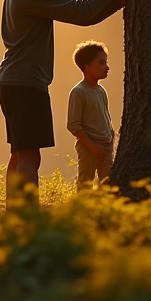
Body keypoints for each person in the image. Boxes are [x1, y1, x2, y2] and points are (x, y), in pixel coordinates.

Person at [0, 0, 131, 204]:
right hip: (25, 83)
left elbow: (83, 17)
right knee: (29, 155)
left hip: (13, 81)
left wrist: (119, 1)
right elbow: (82, 11)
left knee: (20, 152)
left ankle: (15, 212)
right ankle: (27, 214)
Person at [67, 41, 115, 191]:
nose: (107, 67)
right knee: (85, 185)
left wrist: (110, 137)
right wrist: (92, 146)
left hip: (106, 146)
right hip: (88, 147)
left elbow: (105, 117)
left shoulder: (101, 91)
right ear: (87, 66)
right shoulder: (79, 92)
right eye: (101, 63)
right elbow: (73, 125)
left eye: (106, 62)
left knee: (107, 185)